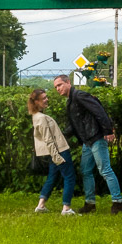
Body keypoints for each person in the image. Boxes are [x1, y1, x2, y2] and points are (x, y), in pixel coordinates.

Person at [53, 74, 122, 214]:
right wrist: (58, 136)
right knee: (86, 171)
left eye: (60, 85)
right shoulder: (70, 101)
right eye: (56, 87)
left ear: (68, 82)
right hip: (88, 141)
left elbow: (99, 111)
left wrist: (108, 130)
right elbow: (73, 125)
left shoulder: (80, 96)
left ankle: (118, 203)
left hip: (96, 137)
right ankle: (90, 203)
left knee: (105, 170)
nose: (57, 89)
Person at [28, 88, 76, 216]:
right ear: (36, 102)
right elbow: (48, 140)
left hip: (54, 152)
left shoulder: (36, 116)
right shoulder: (41, 118)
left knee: (52, 177)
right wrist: (56, 156)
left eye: (46, 97)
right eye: (43, 98)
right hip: (59, 151)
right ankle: (66, 207)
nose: (46, 99)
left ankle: (41, 205)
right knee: (69, 177)